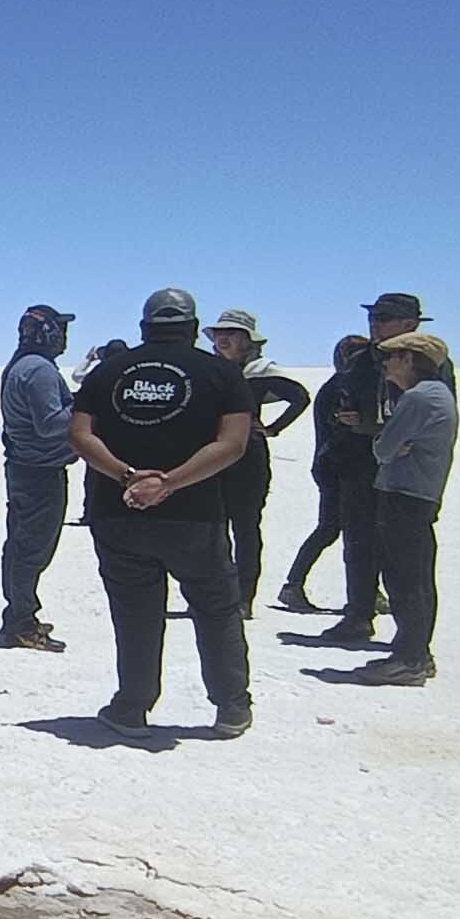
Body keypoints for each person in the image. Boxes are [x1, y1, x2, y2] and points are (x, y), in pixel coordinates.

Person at [68, 287, 256, 738]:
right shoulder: (221, 374)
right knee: (215, 609)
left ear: (144, 328)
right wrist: (170, 482)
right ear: (193, 328)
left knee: (135, 612)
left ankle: (131, 707)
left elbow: (79, 434)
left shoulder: (108, 372)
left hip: (119, 513)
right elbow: (232, 444)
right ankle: (231, 707)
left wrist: (127, 476)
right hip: (195, 515)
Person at [321, 293, 458, 645]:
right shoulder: (364, 360)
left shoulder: (432, 367)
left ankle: (411, 643)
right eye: (374, 317)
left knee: (405, 557)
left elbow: (434, 420)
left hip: (406, 473)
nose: (375, 324)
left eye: (385, 318)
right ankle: (359, 615)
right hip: (360, 464)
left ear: (409, 325)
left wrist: (382, 432)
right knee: (358, 543)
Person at [356, 332, 459, 685]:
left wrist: (386, 444)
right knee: (414, 577)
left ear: (412, 360)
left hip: (404, 495)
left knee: (404, 580)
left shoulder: (418, 398)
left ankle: (410, 659)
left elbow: (383, 449)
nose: (386, 363)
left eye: (393, 356)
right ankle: (415, 654)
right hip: (417, 495)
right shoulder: (434, 395)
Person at [202, 309, 310, 617]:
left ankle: (244, 597)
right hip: (213, 453)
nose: (224, 339)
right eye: (220, 333)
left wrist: (273, 428)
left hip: (248, 456)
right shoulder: (211, 370)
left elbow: (300, 397)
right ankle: (220, 592)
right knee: (214, 526)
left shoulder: (260, 371)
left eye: (233, 334)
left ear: (248, 341)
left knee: (246, 527)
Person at [277, 335, 374, 612]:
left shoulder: (338, 386)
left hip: (334, 466)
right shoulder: (340, 389)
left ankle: (367, 590)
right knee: (333, 528)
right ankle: (293, 585)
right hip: (337, 468)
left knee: (342, 530)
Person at [0, 304, 77, 650]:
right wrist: (87, 407)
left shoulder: (21, 364)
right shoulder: (39, 370)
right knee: (33, 548)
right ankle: (21, 621)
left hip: (24, 467)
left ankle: (19, 614)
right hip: (39, 471)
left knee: (20, 544)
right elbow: (50, 425)